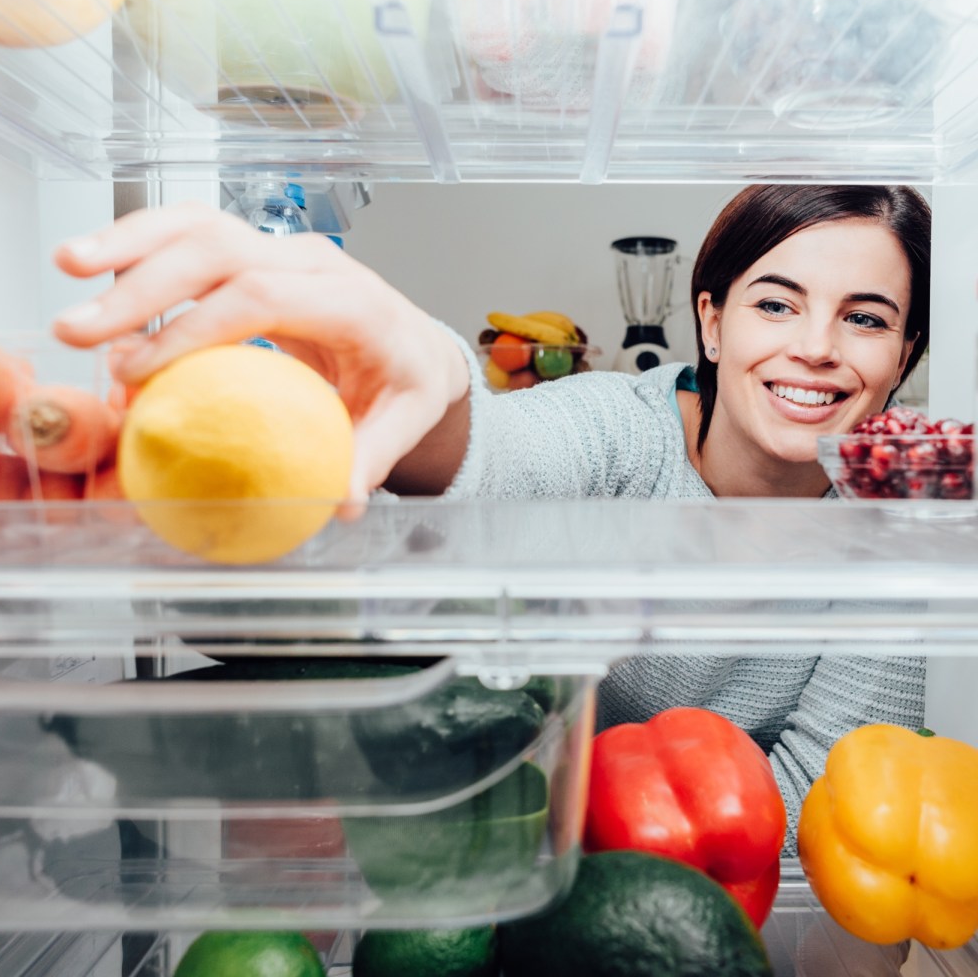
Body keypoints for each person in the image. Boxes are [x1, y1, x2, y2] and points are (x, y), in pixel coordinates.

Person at [52, 184, 931, 853]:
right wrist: (427, 376)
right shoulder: (621, 426)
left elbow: (836, 796)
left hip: (699, 880)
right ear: (710, 321)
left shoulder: (896, 523)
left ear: (903, 359)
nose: (815, 346)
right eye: (776, 303)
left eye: (865, 319)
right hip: (504, 836)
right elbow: (501, 456)